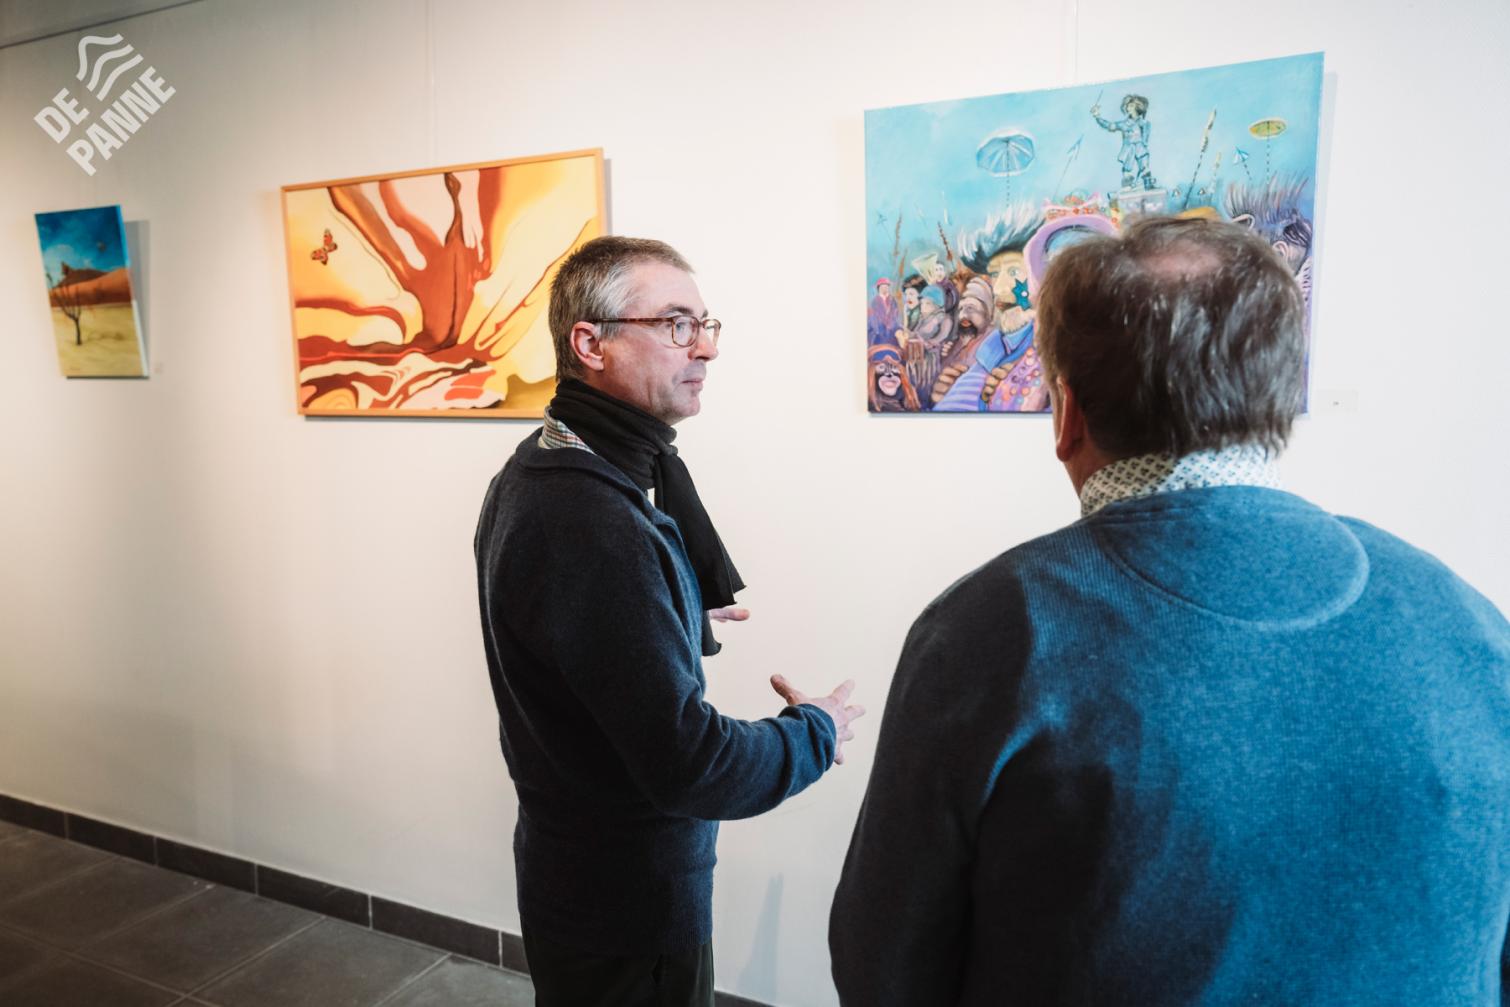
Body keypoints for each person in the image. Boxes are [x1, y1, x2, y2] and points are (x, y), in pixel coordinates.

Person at [830, 216, 1509, 1006]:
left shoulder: (995, 630)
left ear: (1066, 413)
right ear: (1279, 396)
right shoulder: (1469, 621)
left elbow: (884, 965)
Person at [475, 236, 865, 1007]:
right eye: (677, 324)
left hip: (578, 883)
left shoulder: (540, 467)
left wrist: (668, 600)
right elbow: (692, 764)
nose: (706, 348)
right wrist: (813, 731)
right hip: (628, 909)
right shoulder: (594, 523)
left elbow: (576, 642)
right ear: (590, 343)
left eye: (706, 325)